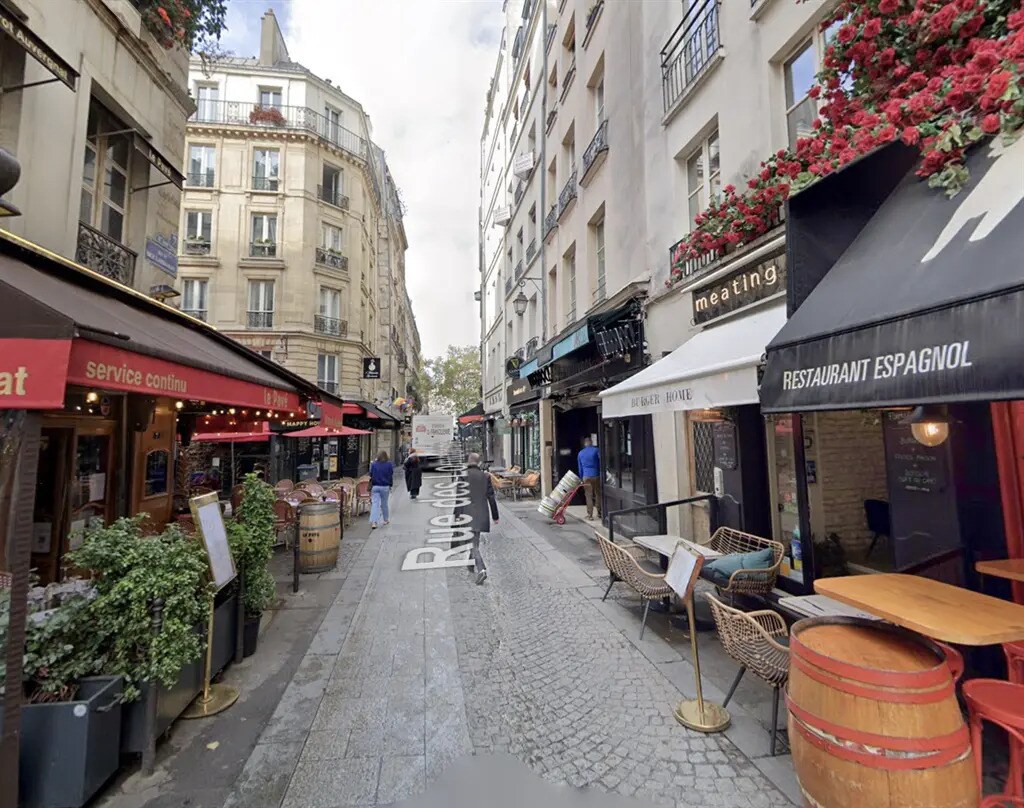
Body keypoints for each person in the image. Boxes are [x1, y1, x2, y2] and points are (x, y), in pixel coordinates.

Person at [454, 452, 499, 585]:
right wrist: (495, 516)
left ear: (468, 462)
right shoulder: (485, 476)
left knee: (473, 544)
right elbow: (491, 497)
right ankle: (470, 563)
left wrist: (456, 516)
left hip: (467, 515)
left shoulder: (463, 476)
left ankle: (481, 569)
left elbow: (459, 499)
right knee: (475, 541)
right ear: (479, 463)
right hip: (482, 514)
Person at [577, 436, 601, 521]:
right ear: (591, 442)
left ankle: (590, 515)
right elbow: (600, 463)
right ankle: (599, 512)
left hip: (586, 476)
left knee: (588, 495)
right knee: (598, 493)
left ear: (585, 444)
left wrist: (581, 478)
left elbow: (580, 468)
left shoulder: (580, 453)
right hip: (596, 475)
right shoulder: (596, 450)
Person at [368, 450, 394, 528]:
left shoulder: (374, 464)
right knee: (384, 504)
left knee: (375, 504)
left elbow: (370, 474)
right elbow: (391, 474)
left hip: (375, 486)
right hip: (385, 486)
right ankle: (385, 520)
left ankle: (374, 522)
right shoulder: (389, 464)